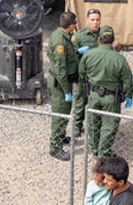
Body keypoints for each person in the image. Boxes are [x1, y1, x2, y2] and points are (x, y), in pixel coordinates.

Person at [79, 26, 133, 158]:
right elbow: (128, 80)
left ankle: (95, 149)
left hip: (93, 94)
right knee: (109, 125)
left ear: (99, 39)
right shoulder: (119, 59)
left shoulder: (88, 55)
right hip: (111, 97)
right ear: (113, 40)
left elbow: (81, 73)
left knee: (93, 122)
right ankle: (104, 153)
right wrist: (129, 95)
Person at [47, 11, 79, 161]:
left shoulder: (59, 35)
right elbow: (60, 70)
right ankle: (55, 148)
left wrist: (76, 52)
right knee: (60, 114)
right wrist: (67, 90)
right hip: (60, 84)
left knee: (64, 113)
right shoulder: (60, 41)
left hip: (61, 82)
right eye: (75, 23)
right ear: (71, 25)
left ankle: (60, 136)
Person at [72, 8, 104, 135]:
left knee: (97, 101)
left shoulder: (104, 34)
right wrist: (78, 51)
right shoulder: (79, 36)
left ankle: (95, 127)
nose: (95, 23)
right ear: (87, 20)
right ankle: (77, 126)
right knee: (80, 101)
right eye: (92, 20)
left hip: (99, 75)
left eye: (97, 20)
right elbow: (71, 54)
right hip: (84, 75)